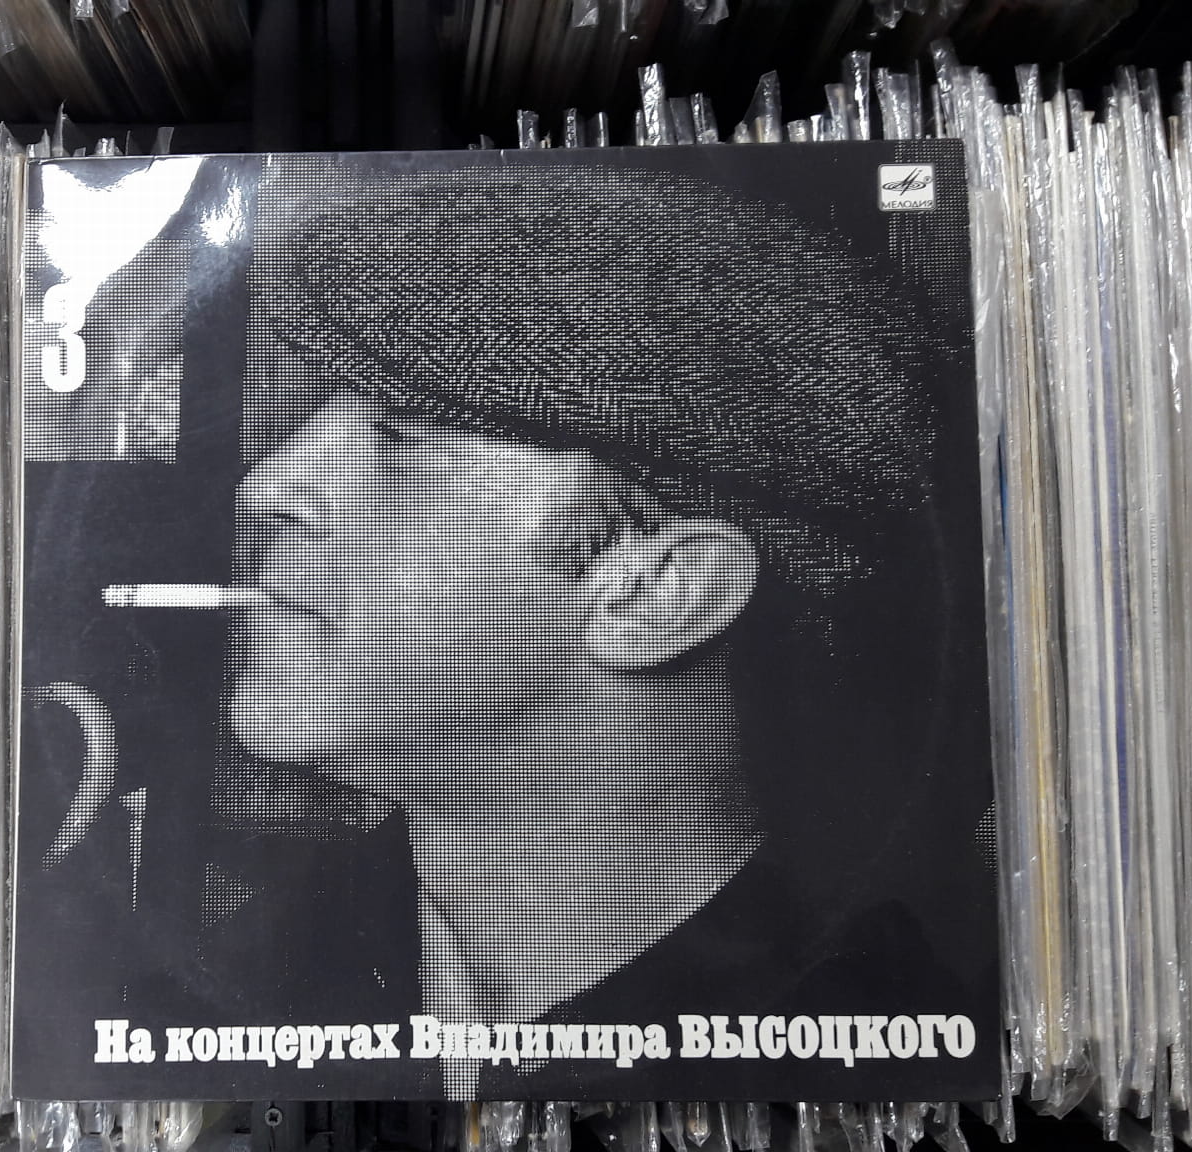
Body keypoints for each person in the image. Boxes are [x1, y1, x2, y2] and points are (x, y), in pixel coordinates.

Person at [200, 160, 991, 1097]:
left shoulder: (854, 1066)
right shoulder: (237, 986)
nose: (266, 488)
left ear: (659, 592)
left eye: (403, 432)